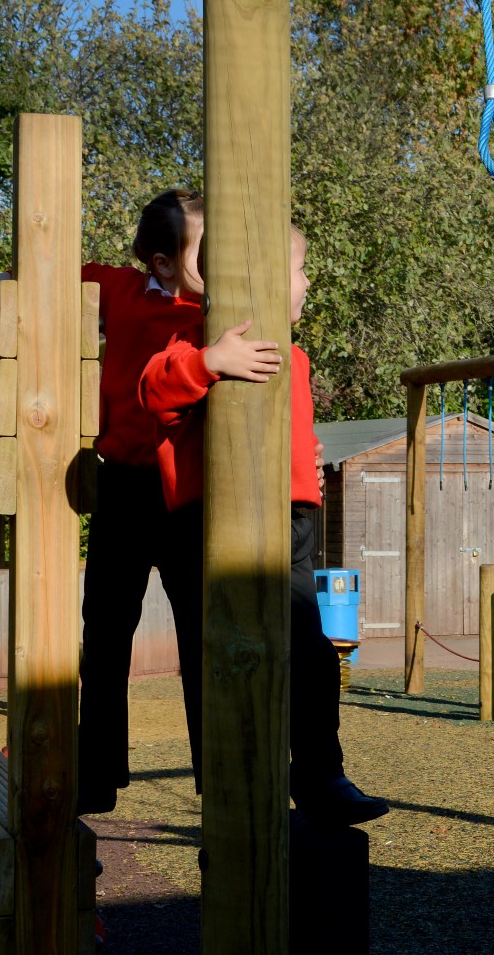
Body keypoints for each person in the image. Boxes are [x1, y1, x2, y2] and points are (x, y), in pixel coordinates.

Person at [139, 222, 388, 825]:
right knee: (229, 654)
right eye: (301, 271)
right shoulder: (195, 340)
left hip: (293, 521)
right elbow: (154, 391)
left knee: (311, 653)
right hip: (215, 523)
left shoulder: (294, 357)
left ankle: (321, 776)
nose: (308, 283)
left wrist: (310, 460)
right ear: (263, 284)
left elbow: (290, 427)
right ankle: (242, 781)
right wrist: (210, 362)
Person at [0, 188, 211, 814]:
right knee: (106, 632)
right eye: (202, 245)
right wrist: (0, 281)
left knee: (201, 634)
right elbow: (49, 280)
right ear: (162, 262)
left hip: (188, 494)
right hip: (125, 485)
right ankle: (98, 770)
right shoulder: (123, 291)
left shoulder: (218, 311)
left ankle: (214, 773)